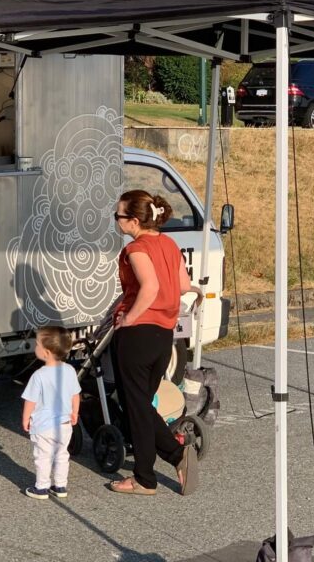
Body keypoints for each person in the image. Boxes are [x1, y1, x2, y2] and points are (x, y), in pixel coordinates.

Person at [108, 190, 202, 497]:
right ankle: (176, 455)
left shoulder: (137, 248)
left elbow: (150, 287)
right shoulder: (169, 244)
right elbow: (183, 286)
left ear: (134, 221)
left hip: (138, 337)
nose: (116, 221)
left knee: (135, 407)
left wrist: (130, 318)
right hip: (164, 336)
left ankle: (145, 479)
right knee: (141, 406)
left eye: (118, 216)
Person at [21, 326, 81, 500]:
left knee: (43, 456)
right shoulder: (70, 370)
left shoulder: (38, 375)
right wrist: (75, 412)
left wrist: (26, 418)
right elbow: (75, 395)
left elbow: (30, 400)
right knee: (62, 454)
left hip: (43, 426)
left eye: (37, 344)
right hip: (64, 424)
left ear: (46, 352)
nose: (35, 347)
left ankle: (41, 487)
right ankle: (61, 486)